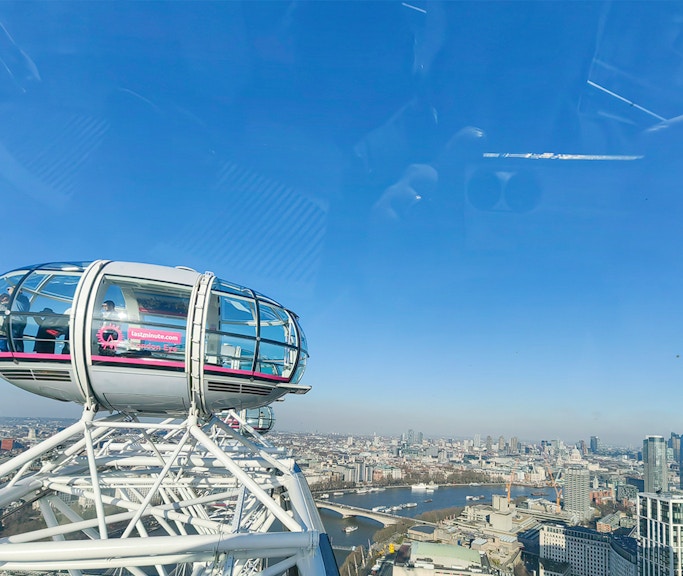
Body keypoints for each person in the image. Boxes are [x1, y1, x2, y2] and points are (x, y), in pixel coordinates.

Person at [7, 286, 29, 352]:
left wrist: (10, 288)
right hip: (23, 321)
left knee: (12, 338)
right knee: (19, 338)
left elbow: (11, 293)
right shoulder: (25, 299)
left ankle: (12, 353)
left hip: (15, 320)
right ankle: (20, 353)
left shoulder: (18, 297)